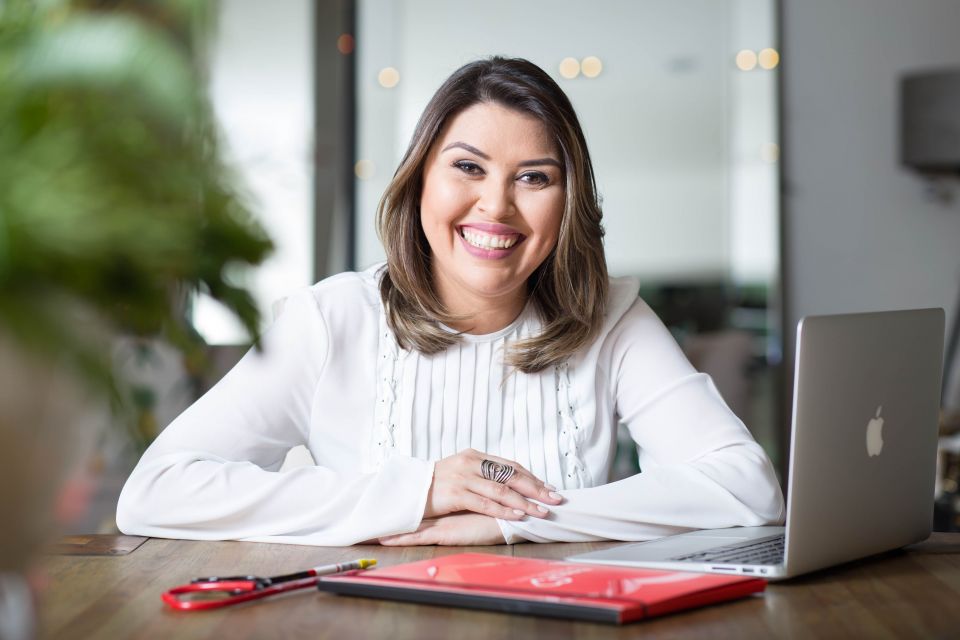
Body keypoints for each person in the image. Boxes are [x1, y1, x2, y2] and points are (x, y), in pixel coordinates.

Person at [116, 57, 784, 546]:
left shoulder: (611, 319)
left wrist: (508, 521)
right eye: (468, 167)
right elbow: (157, 492)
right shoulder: (331, 319)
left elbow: (747, 487)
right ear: (420, 183)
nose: (496, 205)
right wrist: (419, 491)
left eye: (534, 177)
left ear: (568, 203)